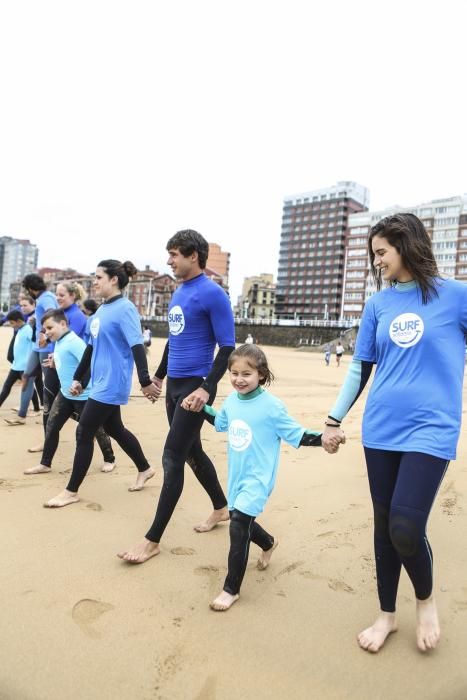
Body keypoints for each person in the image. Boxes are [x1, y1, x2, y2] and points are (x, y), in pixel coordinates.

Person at [321, 212, 467, 653]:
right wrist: (333, 419)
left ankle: (425, 601)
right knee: (384, 526)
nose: (377, 260)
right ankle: (386, 614)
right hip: (381, 427)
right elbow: (361, 368)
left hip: (432, 427)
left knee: (406, 525)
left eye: (381, 251)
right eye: (373, 254)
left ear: (406, 245)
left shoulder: (457, 295)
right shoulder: (378, 305)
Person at [186, 344, 338, 611]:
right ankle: (268, 542)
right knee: (240, 520)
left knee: (238, 527)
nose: (238, 379)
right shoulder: (232, 401)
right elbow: (221, 422)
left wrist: (323, 438)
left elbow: (297, 434)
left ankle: (230, 589)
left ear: (261, 375)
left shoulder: (272, 407)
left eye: (246, 373)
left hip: (258, 479)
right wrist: (199, 408)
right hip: (237, 476)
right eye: (234, 373)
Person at [118, 229, 235, 564]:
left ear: (192, 256)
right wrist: (157, 376)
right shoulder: (179, 292)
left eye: (173, 254)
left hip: (195, 386)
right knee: (190, 451)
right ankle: (221, 507)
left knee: (171, 457)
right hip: (175, 387)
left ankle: (152, 539)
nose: (168, 261)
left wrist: (206, 388)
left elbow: (227, 346)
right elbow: (175, 339)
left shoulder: (212, 294)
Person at [44, 260, 159, 508]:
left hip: (112, 382)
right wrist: (77, 377)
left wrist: (145, 380)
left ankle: (71, 491)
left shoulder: (126, 309)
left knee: (84, 431)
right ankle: (145, 468)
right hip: (97, 382)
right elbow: (90, 349)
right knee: (115, 429)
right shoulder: (101, 311)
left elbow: (137, 345)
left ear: (113, 279)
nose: (94, 282)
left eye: (98, 277)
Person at [24, 309, 116, 476]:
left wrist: (80, 383)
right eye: (45, 329)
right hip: (65, 394)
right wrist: (55, 362)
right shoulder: (60, 341)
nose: (47, 332)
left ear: (63, 324)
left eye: (50, 328)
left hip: (84, 396)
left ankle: (109, 458)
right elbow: (68, 362)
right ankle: (45, 463)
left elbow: (89, 365)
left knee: (96, 429)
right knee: (52, 426)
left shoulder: (74, 342)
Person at [4, 274, 58, 430]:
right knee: (27, 376)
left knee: (50, 384)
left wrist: (45, 336)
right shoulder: (42, 297)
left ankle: (61, 414)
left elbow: (52, 316)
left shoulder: (46, 298)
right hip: (37, 347)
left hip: (46, 347)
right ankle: (21, 415)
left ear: (30, 288)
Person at [0, 311, 33, 409]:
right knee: (7, 386)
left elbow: (34, 345)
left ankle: (36, 407)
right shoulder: (20, 329)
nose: (10, 325)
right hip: (15, 365)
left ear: (18, 321)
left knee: (28, 388)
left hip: (24, 366)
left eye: (12, 323)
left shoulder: (28, 330)